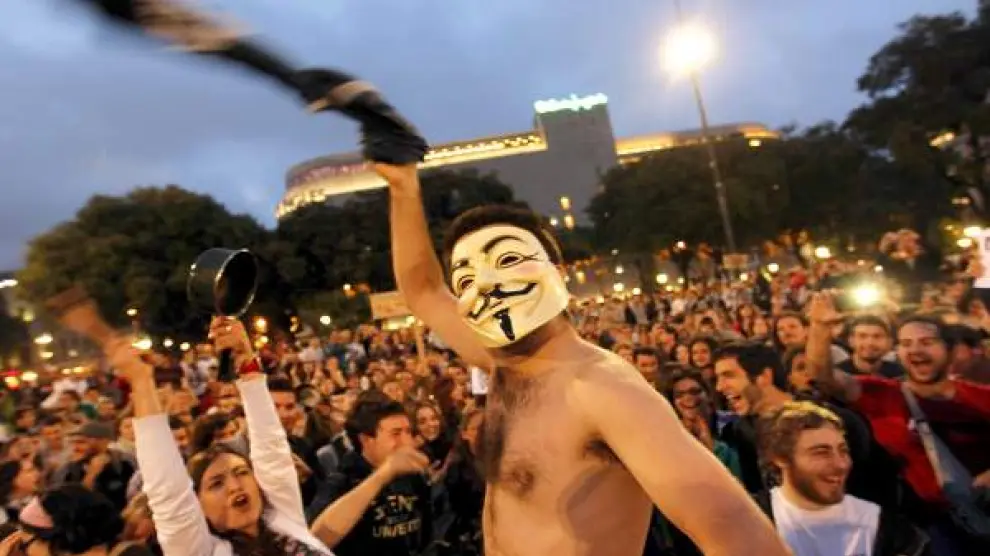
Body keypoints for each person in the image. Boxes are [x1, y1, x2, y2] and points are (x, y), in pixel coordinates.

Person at [377, 162, 787, 555]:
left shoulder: (604, 390)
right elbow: (423, 291)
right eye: (466, 279)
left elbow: (743, 538)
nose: (486, 285)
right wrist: (403, 188)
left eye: (508, 260)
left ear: (558, 271)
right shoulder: (504, 365)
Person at [107, 319, 334, 555]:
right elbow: (168, 491)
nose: (235, 487)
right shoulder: (203, 551)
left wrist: (245, 358)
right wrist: (142, 382)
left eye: (242, 472)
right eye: (216, 484)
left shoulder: (283, 519)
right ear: (198, 506)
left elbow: (271, 447)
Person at [806, 294, 990, 554]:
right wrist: (820, 328)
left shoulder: (981, 398)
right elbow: (822, 377)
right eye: (906, 343)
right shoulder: (882, 394)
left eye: (926, 342)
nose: (915, 350)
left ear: (949, 350)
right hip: (925, 531)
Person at [754, 401, 928, 556]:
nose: (841, 465)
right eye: (821, 453)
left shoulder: (887, 530)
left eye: (843, 451)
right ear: (781, 459)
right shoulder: (754, 520)